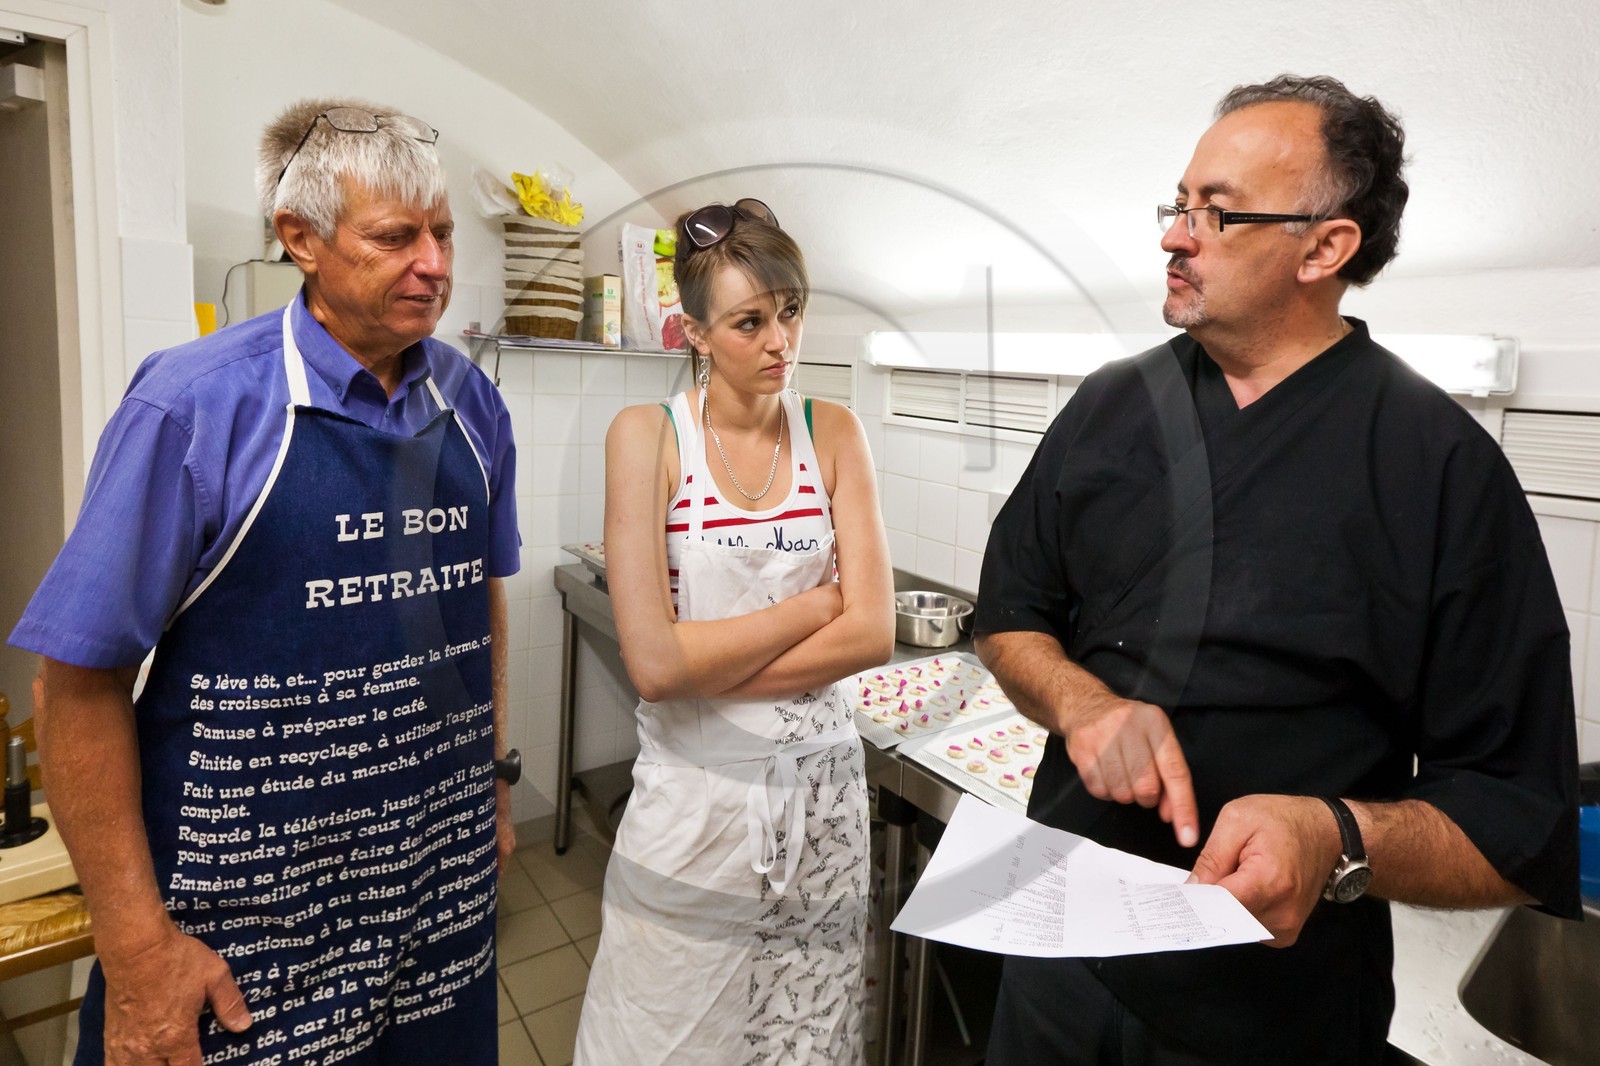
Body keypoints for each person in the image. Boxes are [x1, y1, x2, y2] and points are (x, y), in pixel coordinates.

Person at [975, 74, 1579, 1065]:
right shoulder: (1107, 406)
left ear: (1325, 246)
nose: (1175, 234)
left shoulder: (1437, 468)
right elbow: (1008, 616)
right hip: (1055, 952)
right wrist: (1080, 704)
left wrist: (1335, 837)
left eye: (1215, 211)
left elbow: (1518, 820)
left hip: (1262, 1012)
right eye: (1177, 203)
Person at [9, 98, 521, 1065]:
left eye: (444, 233)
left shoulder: (474, 403)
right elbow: (74, 686)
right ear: (302, 238)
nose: (436, 265)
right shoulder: (193, 406)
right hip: (243, 930)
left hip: (430, 898)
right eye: (396, 236)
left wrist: (494, 781)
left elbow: (477, 605)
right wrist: (135, 947)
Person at [573, 199, 894, 1064]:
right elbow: (651, 665)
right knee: (659, 1033)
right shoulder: (648, 438)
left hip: (820, 802)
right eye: (750, 321)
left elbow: (873, 634)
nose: (780, 341)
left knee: (804, 1035)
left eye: (791, 311)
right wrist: (812, 606)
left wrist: (698, 662)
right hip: (694, 809)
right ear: (694, 334)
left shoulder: (835, 433)